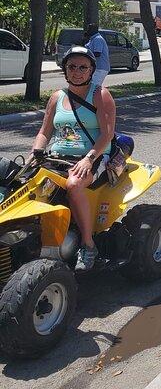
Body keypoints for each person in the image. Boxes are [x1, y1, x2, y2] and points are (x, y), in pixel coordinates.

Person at [29, 46, 116, 271]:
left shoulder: (100, 95)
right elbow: (44, 132)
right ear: (65, 70)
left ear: (91, 71)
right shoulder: (57, 97)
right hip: (58, 156)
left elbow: (107, 134)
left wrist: (89, 159)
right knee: (21, 183)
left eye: (83, 67)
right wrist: (35, 153)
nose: (77, 71)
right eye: (72, 67)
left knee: (74, 184)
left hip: (92, 156)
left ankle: (88, 245)